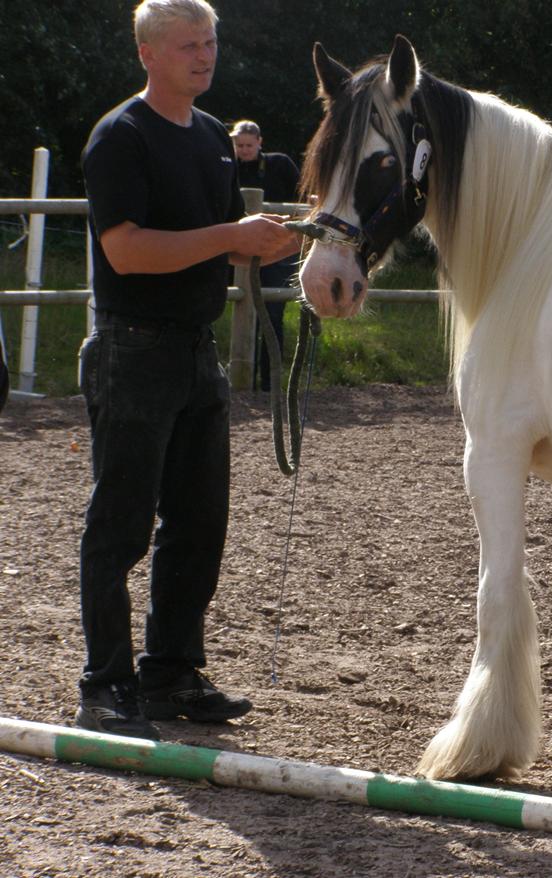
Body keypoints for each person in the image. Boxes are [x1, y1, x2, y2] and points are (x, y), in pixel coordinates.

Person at [77, 0, 298, 739]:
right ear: (148, 54)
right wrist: (229, 235)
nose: (204, 56)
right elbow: (127, 251)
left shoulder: (209, 137)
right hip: (132, 348)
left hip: (193, 351)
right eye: (187, 46)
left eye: (209, 43)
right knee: (121, 527)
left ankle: (170, 672)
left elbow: (219, 241)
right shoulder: (121, 138)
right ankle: (105, 685)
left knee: (200, 524)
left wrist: (275, 241)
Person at [229, 119, 301, 392]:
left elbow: (302, 192)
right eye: (239, 145)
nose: (244, 150)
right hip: (236, 247)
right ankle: (233, 375)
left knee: (271, 314)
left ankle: (270, 383)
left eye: (249, 145)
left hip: (275, 250)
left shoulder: (279, 164)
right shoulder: (228, 167)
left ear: (260, 143)